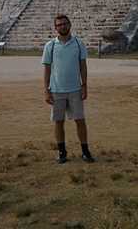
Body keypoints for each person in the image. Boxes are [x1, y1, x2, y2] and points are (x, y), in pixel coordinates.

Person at [41, 14, 95, 164]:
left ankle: (85, 151)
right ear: (55, 28)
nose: (62, 26)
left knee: (80, 120)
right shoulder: (50, 46)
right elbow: (46, 69)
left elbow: (83, 66)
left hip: (75, 89)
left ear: (70, 25)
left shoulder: (78, 44)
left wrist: (84, 85)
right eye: (59, 25)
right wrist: (46, 90)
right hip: (57, 89)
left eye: (65, 24)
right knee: (58, 121)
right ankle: (62, 151)